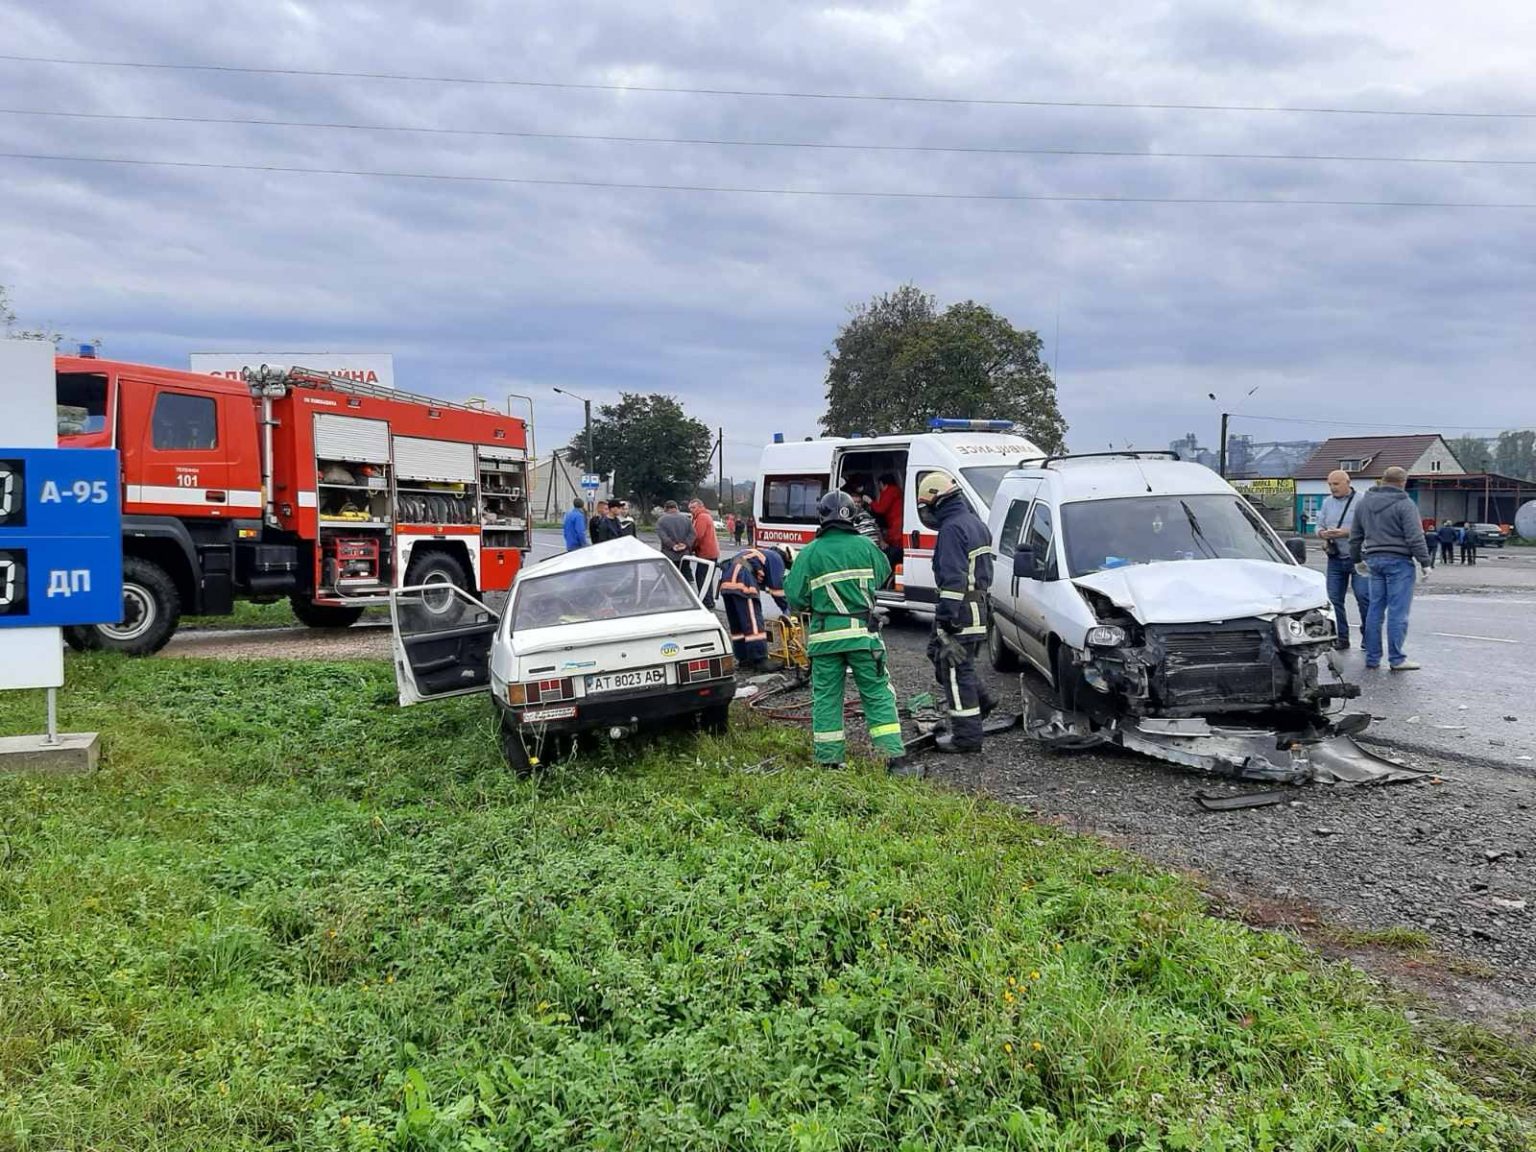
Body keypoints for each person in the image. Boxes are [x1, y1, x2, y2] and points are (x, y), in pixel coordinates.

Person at [784, 491, 909, 775]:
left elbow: (796, 599)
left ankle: (829, 762)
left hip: (825, 639)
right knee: (877, 693)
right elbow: (881, 575)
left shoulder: (810, 552)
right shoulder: (866, 546)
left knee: (827, 698)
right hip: (862, 636)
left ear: (822, 516)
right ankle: (893, 761)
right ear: (852, 515)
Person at [917, 470, 998, 752]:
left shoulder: (952, 528)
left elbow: (953, 578)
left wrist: (947, 616)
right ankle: (982, 701)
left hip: (960, 611)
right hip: (978, 608)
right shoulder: (974, 523)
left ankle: (967, 738)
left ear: (937, 501)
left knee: (954, 670)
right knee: (940, 656)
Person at [1349, 466, 1430, 671]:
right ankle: (1397, 659)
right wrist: (1425, 562)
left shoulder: (1364, 503)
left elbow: (1355, 536)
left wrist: (1357, 559)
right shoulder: (1405, 504)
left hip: (1374, 561)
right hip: (1399, 562)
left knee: (1375, 609)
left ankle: (1373, 658)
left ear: (1383, 481)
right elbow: (1414, 536)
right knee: (1398, 611)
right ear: (1403, 482)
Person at [1314, 470, 1368, 650]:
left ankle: (1368, 637)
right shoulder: (1327, 502)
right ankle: (1341, 637)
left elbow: (1370, 527)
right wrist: (1323, 534)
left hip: (1359, 557)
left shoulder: (1362, 501)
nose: (1332, 488)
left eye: (1336, 484)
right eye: (1330, 484)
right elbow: (1318, 525)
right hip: (1335, 557)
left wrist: (1346, 532)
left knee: (1363, 597)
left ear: (1347, 482)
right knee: (1334, 599)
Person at [719, 546, 788, 670]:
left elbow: (764, 582)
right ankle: (760, 659)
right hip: (743, 580)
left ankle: (744, 658)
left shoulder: (759, 553)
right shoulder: (776, 558)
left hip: (727, 581)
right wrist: (787, 609)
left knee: (738, 624)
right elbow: (777, 589)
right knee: (753, 622)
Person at [870, 472, 905, 567]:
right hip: (898, 522)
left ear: (882, 483)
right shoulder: (897, 491)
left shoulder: (889, 491)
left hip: (896, 524)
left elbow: (880, 509)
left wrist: (870, 502)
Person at [655, 500, 695, 566]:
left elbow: (663, 537)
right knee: (686, 573)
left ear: (665, 508)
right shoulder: (686, 519)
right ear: (676, 507)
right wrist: (685, 544)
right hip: (684, 554)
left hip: (669, 554)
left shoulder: (661, 521)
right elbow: (692, 534)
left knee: (670, 574)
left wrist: (673, 545)